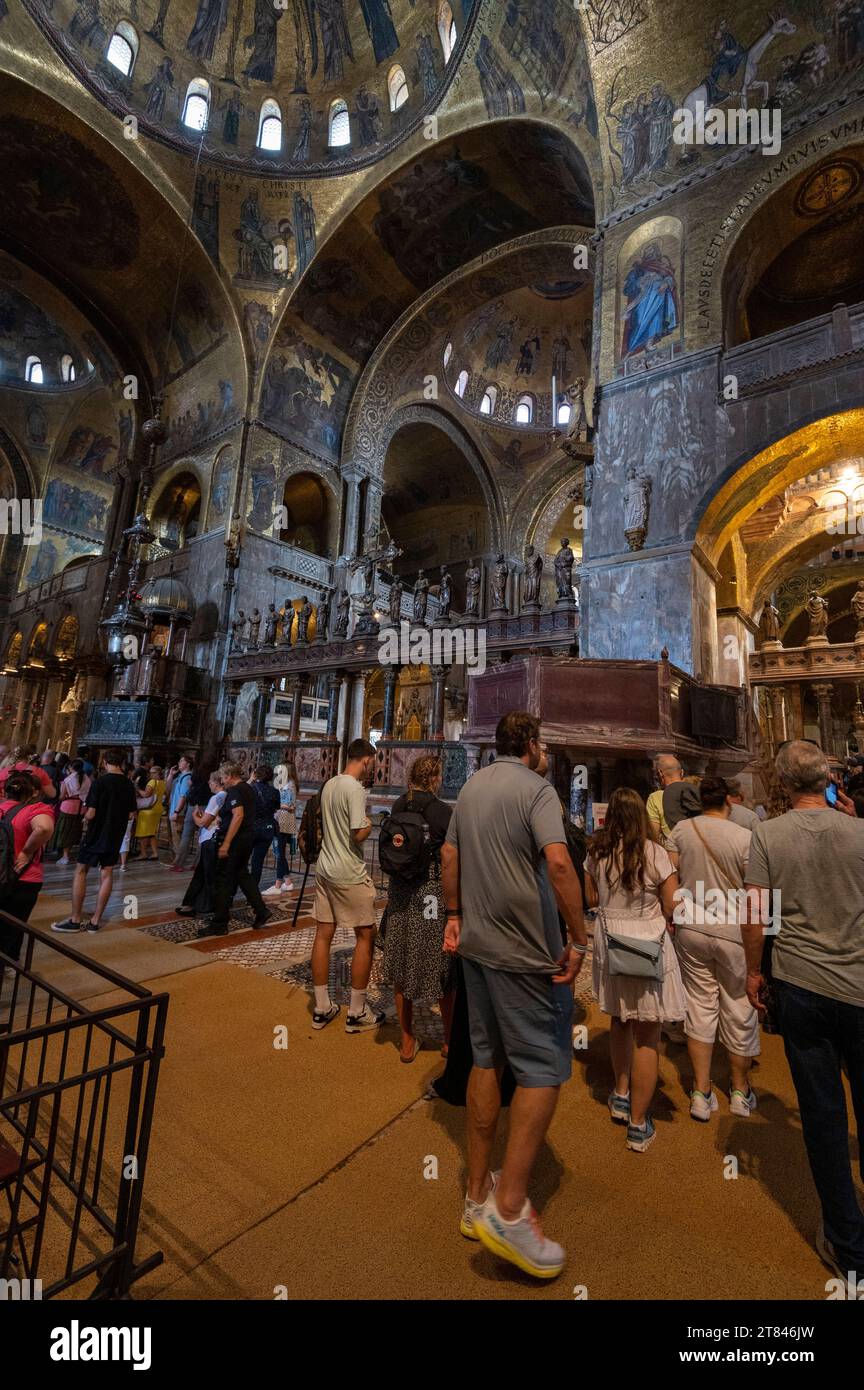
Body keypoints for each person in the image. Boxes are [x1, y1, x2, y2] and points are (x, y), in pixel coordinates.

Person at [441, 711, 587, 1280]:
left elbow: (449, 858)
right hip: (527, 953)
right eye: (543, 743)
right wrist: (579, 935)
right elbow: (557, 861)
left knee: (486, 1059)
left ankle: (477, 1195)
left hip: (476, 946)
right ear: (530, 745)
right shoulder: (537, 789)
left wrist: (453, 915)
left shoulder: (472, 785)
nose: (545, 751)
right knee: (543, 1070)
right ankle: (508, 1210)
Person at [744, 741, 864, 1297]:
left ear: (784, 785)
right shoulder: (860, 832)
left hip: (801, 986)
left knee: (822, 1117)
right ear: (828, 780)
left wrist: (752, 971)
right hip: (860, 986)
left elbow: (755, 912)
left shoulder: (768, 835)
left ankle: (849, 1245)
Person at [585, 786, 684, 1153]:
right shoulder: (655, 852)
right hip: (648, 944)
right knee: (648, 1035)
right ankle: (639, 1124)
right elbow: (672, 906)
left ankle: (621, 1093)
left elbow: (591, 899)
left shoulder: (597, 851)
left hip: (611, 943)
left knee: (620, 1019)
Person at [666, 775, 759, 1121]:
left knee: (700, 1006)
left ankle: (701, 1093)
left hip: (692, 926)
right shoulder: (745, 836)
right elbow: (755, 892)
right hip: (734, 930)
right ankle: (739, 1090)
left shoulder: (682, 831)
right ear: (729, 802)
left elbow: (670, 876)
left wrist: (674, 912)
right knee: (738, 1006)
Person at [381, 755, 456, 1063]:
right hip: (430, 895)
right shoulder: (441, 811)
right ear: (435, 778)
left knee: (401, 962)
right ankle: (449, 1040)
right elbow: (451, 857)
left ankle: (407, 1039)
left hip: (400, 892)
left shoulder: (399, 804)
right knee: (440, 965)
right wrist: (455, 908)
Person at [310, 738, 384, 1033]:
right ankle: (356, 1011)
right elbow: (358, 833)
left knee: (323, 934)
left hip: (325, 868)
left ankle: (321, 1006)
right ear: (366, 759)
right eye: (373, 764)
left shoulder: (330, 783)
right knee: (366, 935)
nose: (372, 770)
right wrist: (369, 823)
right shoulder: (355, 788)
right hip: (348, 873)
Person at [51, 749, 137, 934]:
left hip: (96, 832)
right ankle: (95, 921)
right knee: (107, 873)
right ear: (122, 763)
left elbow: (91, 813)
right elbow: (131, 814)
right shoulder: (128, 785)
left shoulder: (100, 782)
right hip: (115, 835)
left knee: (81, 871)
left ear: (105, 762)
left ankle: (75, 919)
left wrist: (85, 819)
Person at [206, 763, 271, 937]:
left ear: (229, 775)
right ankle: (261, 910)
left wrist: (226, 842)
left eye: (223, 777)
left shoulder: (235, 791)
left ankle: (220, 923)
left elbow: (238, 815)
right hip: (246, 838)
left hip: (235, 841)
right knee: (242, 875)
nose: (222, 781)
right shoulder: (248, 789)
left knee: (224, 880)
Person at [0, 769, 55, 970]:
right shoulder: (35, 810)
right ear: (33, 792)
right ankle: (10, 963)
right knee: (15, 924)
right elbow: (44, 828)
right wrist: (27, 851)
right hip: (22, 877)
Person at [177, 771, 225, 916]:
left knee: (207, 874)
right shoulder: (226, 796)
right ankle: (191, 904)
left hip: (210, 838)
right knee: (201, 873)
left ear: (216, 782)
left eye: (210, 781)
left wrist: (195, 816)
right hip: (213, 838)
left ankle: (207, 905)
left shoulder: (217, 798)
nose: (209, 783)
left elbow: (204, 823)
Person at [646, 752, 700, 844]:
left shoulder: (655, 798)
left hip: (669, 854)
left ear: (660, 774)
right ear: (682, 772)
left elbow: (654, 835)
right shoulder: (696, 792)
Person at [262, 761, 298, 897]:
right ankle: (287, 881)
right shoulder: (285, 784)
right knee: (279, 851)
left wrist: (275, 804)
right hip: (280, 818)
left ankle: (277, 884)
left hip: (284, 820)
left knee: (280, 852)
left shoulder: (290, 785)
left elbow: (289, 805)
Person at [55, 758, 92, 866]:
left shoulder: (68, 779)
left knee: (65, 831)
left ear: (71, 768)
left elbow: (62, 796)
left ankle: (65, 856)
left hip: (68, 807)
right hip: (81, 808)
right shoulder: (87, 779)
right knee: (75, 831)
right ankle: (69, 853)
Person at [249, 764, 281, 884]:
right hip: (266, 828)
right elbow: (277, 807)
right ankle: (252, 892)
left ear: (256, 775)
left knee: (242, 860)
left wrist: (250, 780)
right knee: (258, 862)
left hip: (251, 827)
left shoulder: (251, 790)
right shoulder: (274, 792)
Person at [167, 755, 195, 871]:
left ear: (188, 764)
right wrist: (170, 775)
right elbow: (167, 789)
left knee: (177, 837)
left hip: (179, 811)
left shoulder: (187, 778)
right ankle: (176, 860)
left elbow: (183, 796)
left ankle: (178, 862)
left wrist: (177, 811)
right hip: (173, 809)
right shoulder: (179, 777)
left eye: (182, 761)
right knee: (174, 837)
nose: (179, 762)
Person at [135, 765, 166, 862]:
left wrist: (137, 788)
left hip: (148, 810)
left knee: (142, 833)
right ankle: (155, 852)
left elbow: (146, 794)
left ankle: (143, 853)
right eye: (150, 772)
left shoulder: (152, 782)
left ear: (158, 773)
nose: (151, 774)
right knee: (151, 832)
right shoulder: (163, 783)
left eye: (153, 772)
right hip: (158, 809)